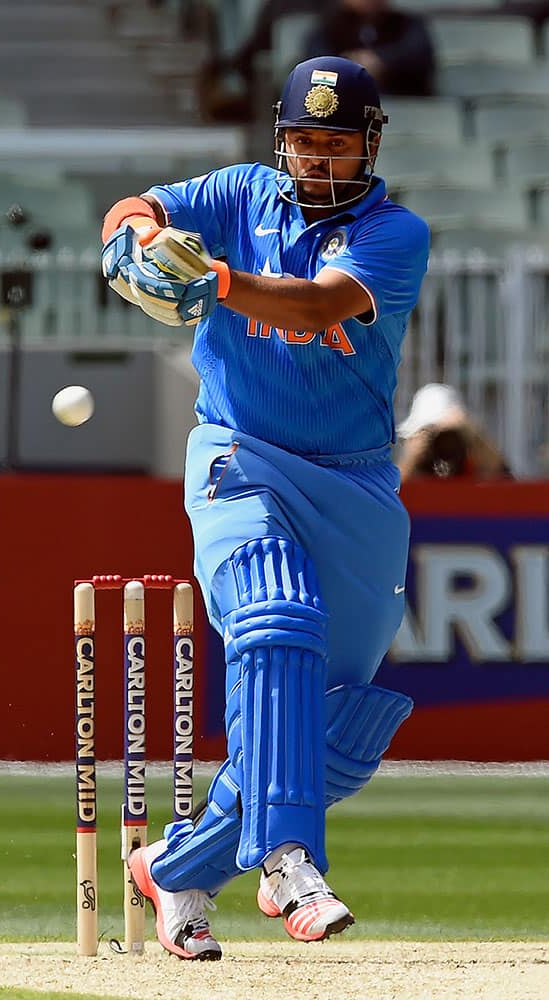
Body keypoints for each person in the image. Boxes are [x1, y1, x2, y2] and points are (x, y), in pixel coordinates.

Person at [101, 55, 430, 961]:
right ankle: (288, 860)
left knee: (341, 730)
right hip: (239, 454)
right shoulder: (241, 191)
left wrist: (210, 280)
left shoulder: (396, 233)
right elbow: (139, 207)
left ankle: (175, 867)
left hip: (355, 481)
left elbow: (320, 301)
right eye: (301, 142)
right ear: (278, 142)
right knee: (274, 620)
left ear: (369, 144)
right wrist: (129, 238)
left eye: (335, 144)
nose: (316, 161)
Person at [304, 0, 435, 97]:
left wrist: (381, 62)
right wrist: (351, 67)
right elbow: (316, 63)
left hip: (401, 101)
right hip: (342, 103)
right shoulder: (327, 26)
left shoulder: (408, 24)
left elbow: (419, 58)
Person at [396, 383, 513, 482]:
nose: (443, 442)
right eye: (429, 431)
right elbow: (389, 496)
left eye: (450, 434)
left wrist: (475, 438)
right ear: (415, 434)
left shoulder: (475, 465)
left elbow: (508, 484)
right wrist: (410, 461)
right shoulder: (413, 471)